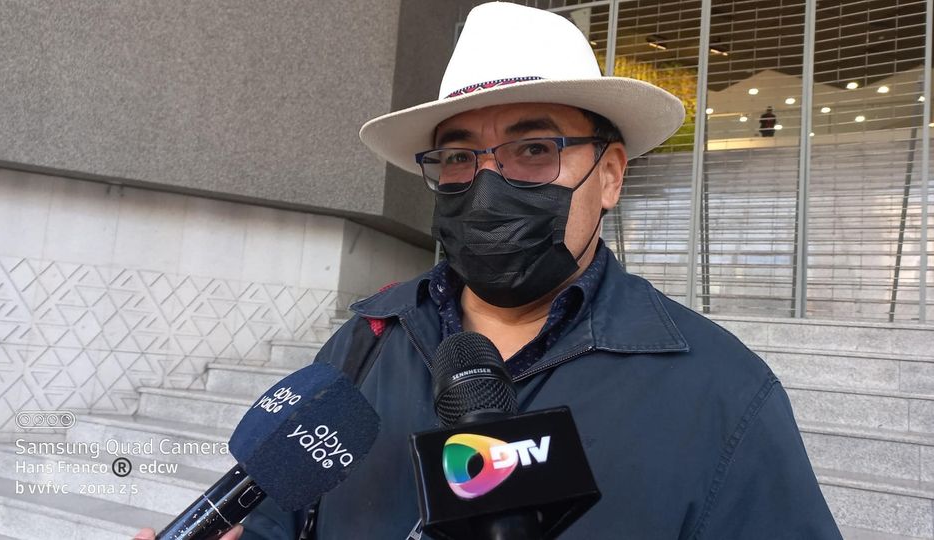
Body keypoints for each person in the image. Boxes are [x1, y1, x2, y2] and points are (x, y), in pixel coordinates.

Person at [134, 3, 841, 539]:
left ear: (610, 176)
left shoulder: (720, 392)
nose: (486, 185)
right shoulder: (365, 344)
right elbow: (279, 523)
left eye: (534, 149)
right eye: (458, 156)